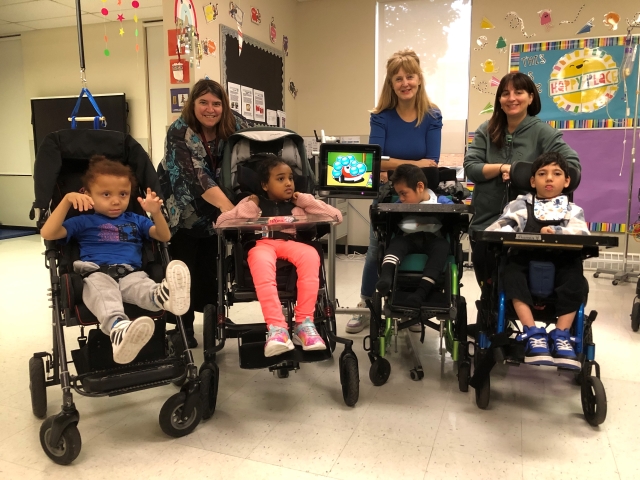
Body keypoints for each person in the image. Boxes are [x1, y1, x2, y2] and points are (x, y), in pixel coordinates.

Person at [40, 156, 191, 364]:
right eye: (106, 194)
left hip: (132, 273)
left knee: (144, 287)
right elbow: (48, 233)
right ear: (87, 194)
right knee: (105, 295)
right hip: (97, 273)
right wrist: (67, 201)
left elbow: (164, 237)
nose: (115, 200)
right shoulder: (83, 221)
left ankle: (164, 296)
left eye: (123, 194)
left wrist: (155, 213)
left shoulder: (136, 220)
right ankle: (120, 330)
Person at [348, 49, 443, 334]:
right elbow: (377, 161)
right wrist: (413, 163)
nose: (405, 83)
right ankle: (366, 303)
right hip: (388, 192)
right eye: (398, 78)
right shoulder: (380, 117)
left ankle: (409, 306)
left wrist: (396, 163)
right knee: (378, 248)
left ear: (419, 79)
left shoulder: (432, 115)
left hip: (420, 193)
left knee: (423, 244)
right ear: (391, 83)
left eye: (409, 76)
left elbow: (432, 164)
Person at [214, 155, 343, 357]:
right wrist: (250, 203)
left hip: (289, 242)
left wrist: (303, 199)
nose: (288, 183)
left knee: (310, 254)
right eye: (280, 179)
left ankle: (304, 324)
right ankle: (277, 329)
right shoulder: (254, 204)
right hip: (261, 243)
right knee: (260, 260)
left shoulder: (298, 206)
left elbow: (336, 216)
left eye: (290, 178)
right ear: (265, 185)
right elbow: (221, 222)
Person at [464, 72, 581, 292]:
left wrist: (523, 173)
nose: (512, 98)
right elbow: (471, 167)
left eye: (518, 92)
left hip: (529, 226)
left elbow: (572, 168)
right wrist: (502, 168)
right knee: (489, 290)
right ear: (499, 100)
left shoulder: (543, 132)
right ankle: (491, 322)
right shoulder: (486, 130)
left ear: (530, 97)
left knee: (519, 287)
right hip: (486, 223)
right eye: (505, 93)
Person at [158, 79, 248, 348]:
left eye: (216, 103)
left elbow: (261, 134)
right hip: (182, 212)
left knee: (213, 266)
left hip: (216, 212)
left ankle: (212, 318)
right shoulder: (179, 131)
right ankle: (182, 327)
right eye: (204, 103)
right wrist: (230, 209)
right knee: (182, 268)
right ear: (193, 104)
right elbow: (196, 178)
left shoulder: (233, 123)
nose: (211, 109)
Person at [486, 152, 589, 369]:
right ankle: (532, 332)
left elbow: (582, 234)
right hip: (524, 261)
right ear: (533, 181)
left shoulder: (573, 211)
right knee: (511, 273)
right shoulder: (521, 206)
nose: (549, 178)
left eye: (556, 173)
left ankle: (561, 335)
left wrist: (558, 231)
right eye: (542, 174)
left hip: (562, 264)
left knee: (576, 279)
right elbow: (499, 226)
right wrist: (506, 230)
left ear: (567, 181)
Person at [375, 164, 451, 308]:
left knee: (442, 246)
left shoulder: (442, 201)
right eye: (398, 194)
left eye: (404, 193)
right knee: (397, 243)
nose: (401, 198)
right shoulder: (399, 203)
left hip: (433, 239)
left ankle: (421, 293)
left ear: (420, 187)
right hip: (408, 238)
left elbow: (454, 212)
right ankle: (386, 277)